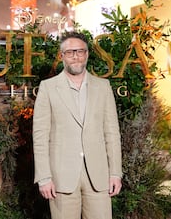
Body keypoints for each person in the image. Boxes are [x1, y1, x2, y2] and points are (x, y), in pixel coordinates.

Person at [32, 31, 122, 219]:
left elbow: (112, 133)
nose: (76, 56)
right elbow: (40, 137)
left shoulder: (103, 86)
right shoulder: (48, 88)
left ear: (87, 54)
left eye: (80, 51)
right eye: (70, 52)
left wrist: (115, 172)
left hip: (98, 176)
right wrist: (44, 177)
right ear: (62, 56)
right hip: (60, 177)